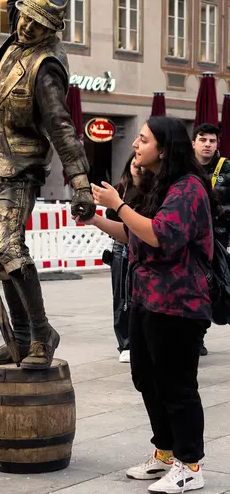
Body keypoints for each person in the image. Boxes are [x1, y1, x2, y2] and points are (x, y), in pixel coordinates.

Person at [78, 116, 214, 494]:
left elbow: (159, 235)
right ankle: (165, 452)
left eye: (143, 139)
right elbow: (132, 233)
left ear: (164, 149)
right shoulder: (161, 185)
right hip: (147, 299)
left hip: (179, 303)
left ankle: (190, 465)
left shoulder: (189, 189)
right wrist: (95, 219)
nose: (136, 145)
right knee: (147, 379)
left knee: (177, 386)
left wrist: (118, 203)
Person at [0, 0, 95, 369]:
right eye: (24, 21)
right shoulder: (17, 37)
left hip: (20, 168)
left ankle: (43, 333)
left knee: (9, 247)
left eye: (35, 27)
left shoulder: (46, 68)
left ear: (51, 31)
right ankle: (21, 338)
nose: (25, 29)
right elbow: (14, 0)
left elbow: (63, 129)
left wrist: (80, 185)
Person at [192, 123, 230, 356]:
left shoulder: (226, 169)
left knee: (211, 288)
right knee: (191, 287)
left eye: (212, 141)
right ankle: (192, 335)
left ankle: (199, 335)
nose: (207, 144)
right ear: (193, 143)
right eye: (203, 139)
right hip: (188, 238)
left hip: (217, 239)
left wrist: (216, 209)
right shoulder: (184, 168)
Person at [105, 152, 141, 363]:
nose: (138, 168)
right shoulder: (121, 189)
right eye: (135, 164)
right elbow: (111, 216)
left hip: (142, 247)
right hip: (121, 247)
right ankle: (125, 343)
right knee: (121, 297)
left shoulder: (154, 189)